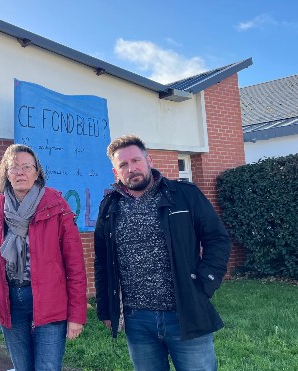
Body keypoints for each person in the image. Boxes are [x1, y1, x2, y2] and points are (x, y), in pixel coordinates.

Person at [94, 134, 231, 371]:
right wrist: (106, 308)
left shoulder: (184, 195)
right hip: (137, 319)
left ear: (149, 161)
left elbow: (217, 239)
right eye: (123, 165)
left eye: (136, 161)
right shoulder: (109, 206)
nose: (131, 169)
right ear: (116, 172)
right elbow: (102, 261)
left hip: (184, 312)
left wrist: (204, 283)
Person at [0, 144, 87, 371]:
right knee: (22, 367)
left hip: (49, 299)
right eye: (14, 167)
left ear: (37, 172)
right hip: (9, 300)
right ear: (6, 174)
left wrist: (76, 314)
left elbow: (75, 263)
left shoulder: (56, 205)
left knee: (47, 367)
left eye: (27, 167)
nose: (20, 172)